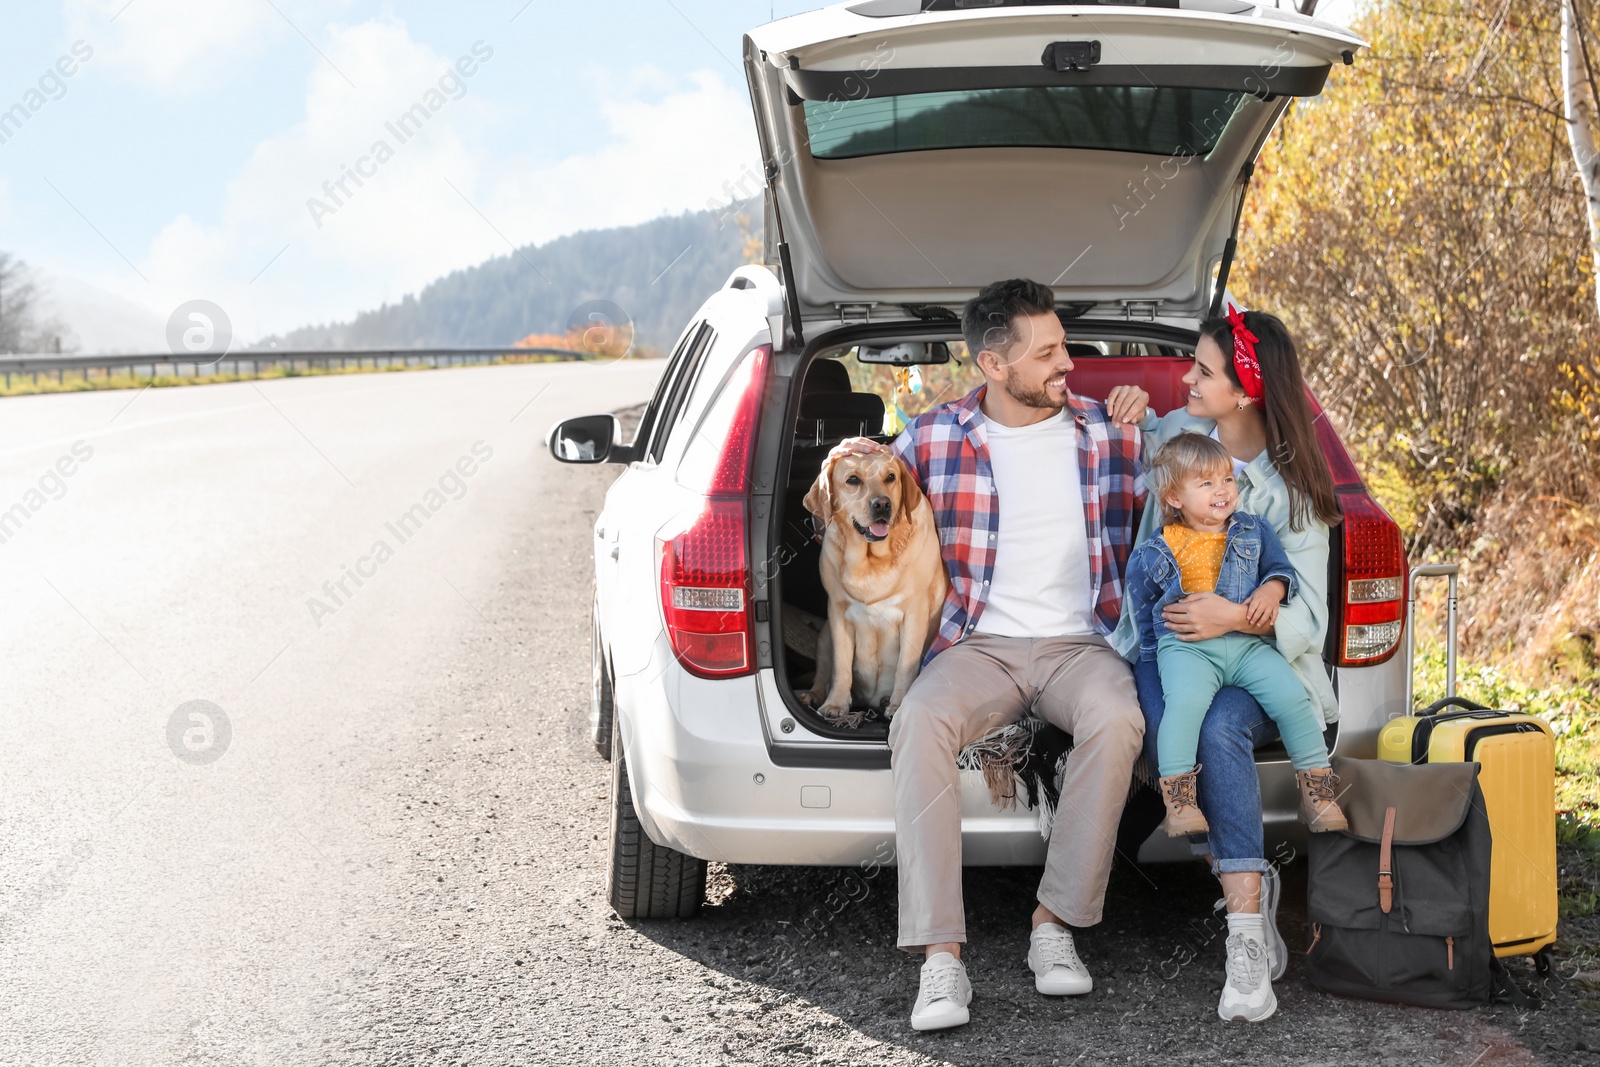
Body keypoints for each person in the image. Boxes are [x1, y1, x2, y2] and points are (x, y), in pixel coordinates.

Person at [825, 279, 1151, 1032]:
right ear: (993, 366)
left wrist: (1149, 406)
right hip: (980, 644)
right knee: (920, 720)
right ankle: (942, 958)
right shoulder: (935, 438)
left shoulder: (1111, 431)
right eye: (1050, 353)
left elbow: (1204, 470)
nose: (1071, 362)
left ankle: (1054, 924)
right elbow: (867, 503)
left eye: (1065, 344)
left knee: (1117, 715)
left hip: (1083, 640)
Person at [1111, 304, 1343, 1024]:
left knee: (1214, 731)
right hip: (1172, 646)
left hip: (1258, 656)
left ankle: (1243, 939)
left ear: (1242, 389)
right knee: (1167, 725)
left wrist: (1234, 615)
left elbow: (1308, 619)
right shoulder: (1180, 445)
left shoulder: (1293, 490)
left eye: (1203, 371)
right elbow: (1129, 429)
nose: (1187, 377)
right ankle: (1252, 881)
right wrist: (1127, 407)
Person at [1124, 434, 1347, 836]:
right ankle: (1180, 801)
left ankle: (1318, 792)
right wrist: (1158, 659)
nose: (1222, 490)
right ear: (1174, 496)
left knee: (1293, 698)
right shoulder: (1154, 550)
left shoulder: (1253, 530)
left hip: (1247, 645)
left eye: (1227, 479)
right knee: (1184, 707)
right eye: (1206, 484)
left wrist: (1271, 589)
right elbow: (1143, 606)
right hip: (1188, 649)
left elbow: (1281, 569)